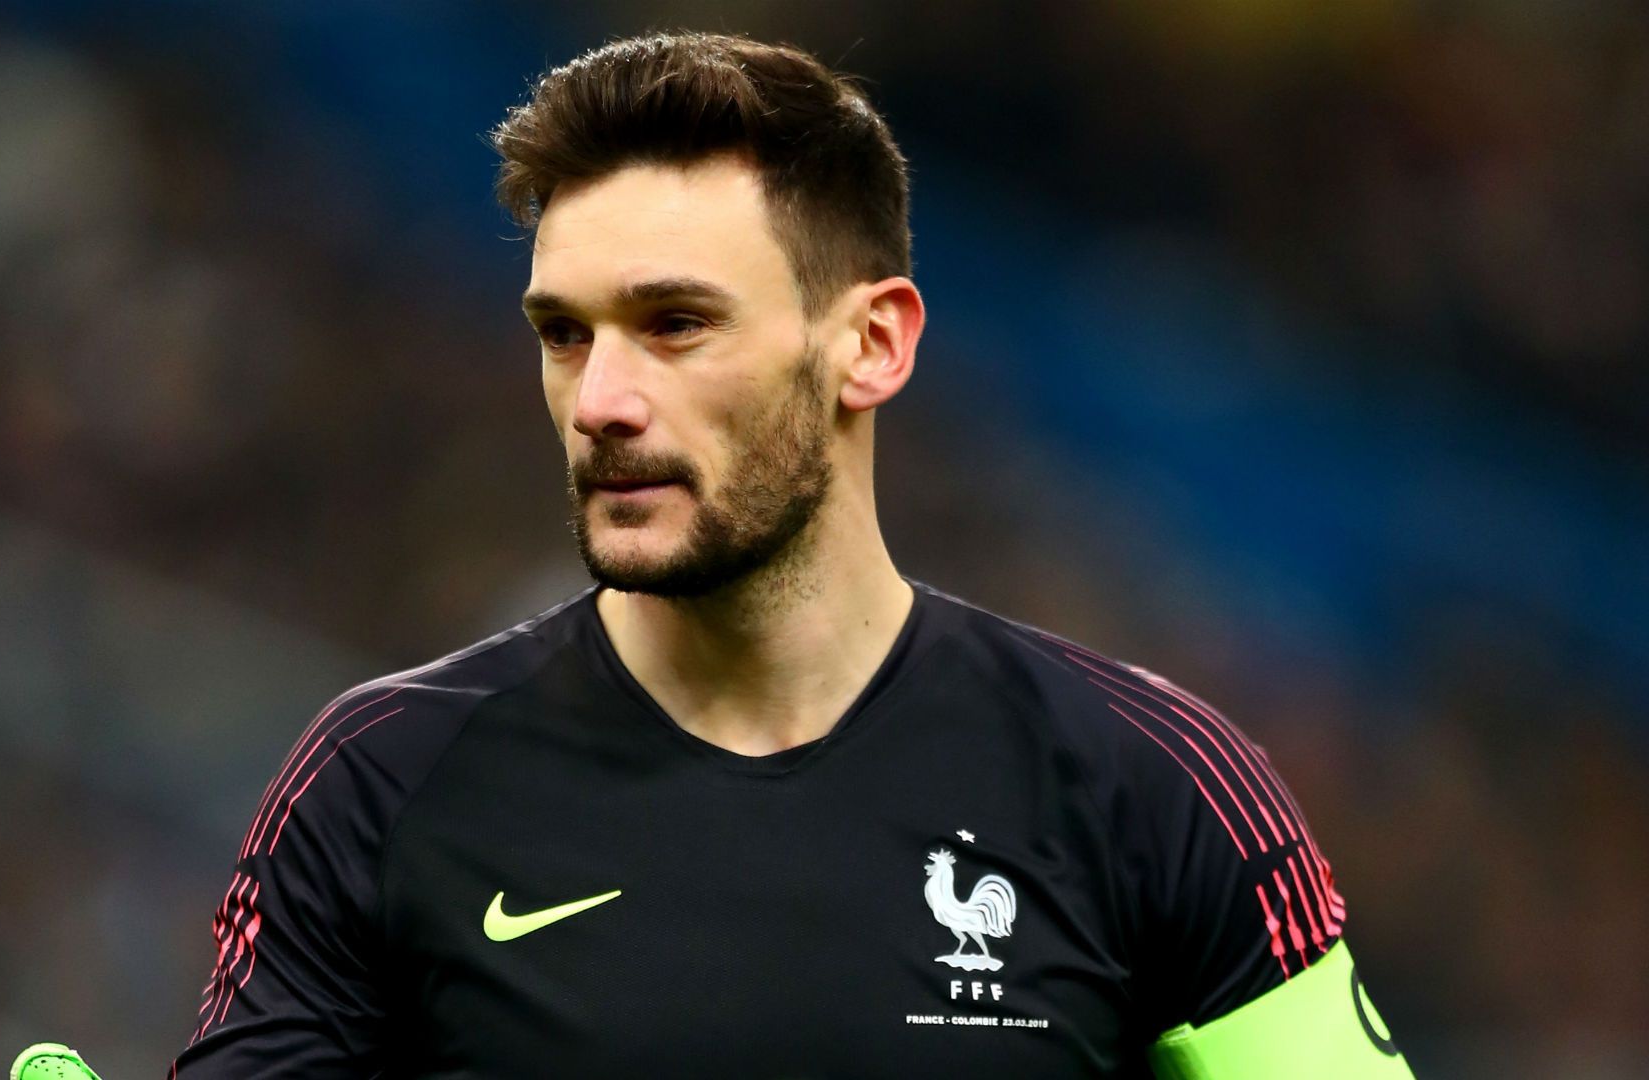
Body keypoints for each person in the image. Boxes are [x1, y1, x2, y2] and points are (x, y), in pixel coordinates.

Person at [156, 31, 1413, 1078]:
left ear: (871, 344)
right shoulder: (381, 784)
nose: (599, 400)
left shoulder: (1154, 786)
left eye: (675, 324)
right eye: (564, 334)